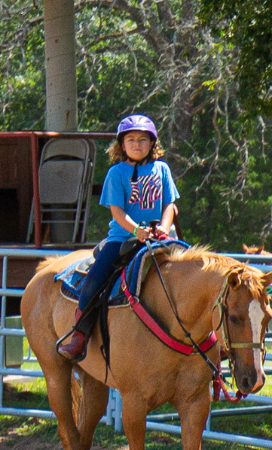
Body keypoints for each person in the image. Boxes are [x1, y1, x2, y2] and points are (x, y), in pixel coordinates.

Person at [55, 114, 179, 361]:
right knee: (95, 278)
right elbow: (117, 212)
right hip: (123, 239)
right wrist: (137, 231)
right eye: (131, 139)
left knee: (193, 271)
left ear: (152, 144)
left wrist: (164, 228)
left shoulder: (162, 169)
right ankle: (79, 336)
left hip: (159, 238)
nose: (136, 144)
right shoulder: (116, 173)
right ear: (121, 145)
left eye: (143, 139)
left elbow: (169, 204)